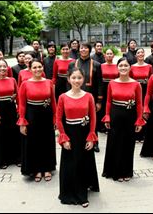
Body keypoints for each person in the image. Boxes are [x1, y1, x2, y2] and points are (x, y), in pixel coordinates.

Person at [57, 67, 99, 208]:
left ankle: (82, 194)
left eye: (79, 77)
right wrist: (64, 138)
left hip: (84, 133)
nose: (76, 80)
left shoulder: (89, 96)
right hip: (70, 134)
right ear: (68, 79)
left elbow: (93, 118)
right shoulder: (63, 97)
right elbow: (58, 119)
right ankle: (69, 192)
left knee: (82, 164)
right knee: (71, 164)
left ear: (83, 79)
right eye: (73, 78)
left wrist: (91, 137)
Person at [102, 57, 145, 182]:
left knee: (128, 144)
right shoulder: (112, 83)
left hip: (130, 117)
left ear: (130, 67)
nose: (123, 68)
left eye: (126, 65)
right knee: (115, 143)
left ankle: (126, 171)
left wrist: (139, 120)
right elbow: (108, 101)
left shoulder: (136, 84)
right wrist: (107, 117)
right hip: (115, 116)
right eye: (121, 65)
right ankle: (115, 171)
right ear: (117, 67)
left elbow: (139, 104)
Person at [17, 59, 57, 182]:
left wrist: (55, 118)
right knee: (34, 142)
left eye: (39, 67)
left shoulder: (49, 82)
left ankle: (47, 168)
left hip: (46, 114)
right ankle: (37, 169)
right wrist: (22, 121)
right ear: (30, 69)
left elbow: (53, 101)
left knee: (47, 141)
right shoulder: (25, 84)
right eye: (34, 67)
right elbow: (22, 104)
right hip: (31, 115)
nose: (37, 69)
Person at [68, 42, 103, 153]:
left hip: (90, 95)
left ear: (89, 50)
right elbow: (68, 82)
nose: (83, 50)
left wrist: (99, 101)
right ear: (79, 50)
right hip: (75, 96)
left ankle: (95, 141)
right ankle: (79, 141)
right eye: (81, 48)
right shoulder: (72, 64)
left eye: (86, 48)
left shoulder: (97, 64)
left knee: (93, 120)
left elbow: (100, 83)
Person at [0, 59, 21, 169]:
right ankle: (2, 160)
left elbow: (17, 95)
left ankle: (16, 159)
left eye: (4, 66)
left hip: (11, 109)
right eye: (0, 66)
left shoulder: (12, 80)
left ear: (7, 68)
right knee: (1, 135)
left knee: (13, 134)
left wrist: (19, 110)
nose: (2, 68)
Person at [130, 48, 153, 143]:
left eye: (142, 52)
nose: (140, 54)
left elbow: (152, 79)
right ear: (136, 55)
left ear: (144, 54)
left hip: (146, 90)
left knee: (145, 110)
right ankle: (136, 135)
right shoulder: (132, 67)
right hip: (135, 91)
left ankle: (144, 134)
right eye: (138, 53)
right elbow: (130, 80)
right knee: (136, 111)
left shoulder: (149, 66)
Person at [99, 48, 119, 133]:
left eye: (111, 54)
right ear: (104, 55)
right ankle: (102, 126)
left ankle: (112, 124)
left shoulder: (117, 66)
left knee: (112, 106)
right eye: (108, 54)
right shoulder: (101, 66)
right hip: (103, 87)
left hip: (114, 87)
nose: (109, 55)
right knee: (103, 106)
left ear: (113, 55)